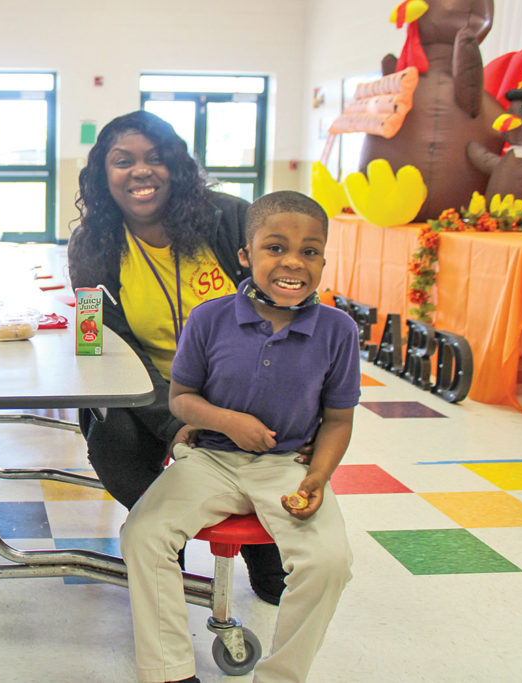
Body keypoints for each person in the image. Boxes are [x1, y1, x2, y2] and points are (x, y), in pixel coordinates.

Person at [121, 190, 359, 683]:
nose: (293, 261)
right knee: (143, 534)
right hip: (211, 460)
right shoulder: (210, 318)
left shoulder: (338, 330)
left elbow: (338, 419)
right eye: (276, 247)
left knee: (329, 562)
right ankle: (169, 670)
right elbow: (181, 399)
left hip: (288, 465)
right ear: (246, 256)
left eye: (310, 251)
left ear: (323, 259)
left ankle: (282, 674)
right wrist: (229, 422)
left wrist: (318, 475)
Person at [67, 110, 287, 604]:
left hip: (243, 390)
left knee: (267, 437)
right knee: (114, 443)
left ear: (177, 167)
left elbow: (284, 313)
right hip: (146, 393)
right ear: (104, 174)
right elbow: (101, 342)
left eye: (155, 158)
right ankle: (165, 545)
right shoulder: (93, 245)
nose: (140, 171)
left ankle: (260, 544)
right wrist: (173, 420)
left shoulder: (230, 219)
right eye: (123, 161)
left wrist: (231, 408)